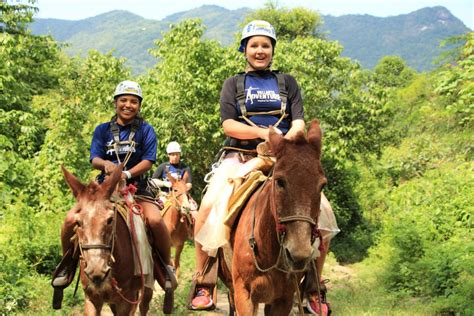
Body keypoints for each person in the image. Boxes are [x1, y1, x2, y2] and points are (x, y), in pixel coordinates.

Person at [189, 20, 339, 315]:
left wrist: (286, 138)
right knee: (208, 207)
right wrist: (262, 134)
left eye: (265, 45)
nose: (260, 50)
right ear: (244, 50)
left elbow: (298, 121)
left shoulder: (287, 83)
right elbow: (229, 124)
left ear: (272, 50)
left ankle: (314, 287)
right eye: (254, 45)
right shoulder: (233, 84)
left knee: (323, 213)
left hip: (284, 158)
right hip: (241, 157)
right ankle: (204, 281)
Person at [52, 80, 176, 292]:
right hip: (103, 191)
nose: (128, 105)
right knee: (70, 220)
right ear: (115, 103)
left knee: (155, 220)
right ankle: (68, 266)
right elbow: (94, 159)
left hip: (138, 189)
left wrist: (126, 173)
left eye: (134, 101)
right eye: (124, 100)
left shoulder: (146, 130)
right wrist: (106, 165)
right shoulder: (102, 130)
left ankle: (164, 267)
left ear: (139, 105)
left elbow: (148, 160)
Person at [151, 141, 198, 213]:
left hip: (181, 195)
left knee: (194, 210)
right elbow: (153, 180)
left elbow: (189, 183)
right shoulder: (163, 166)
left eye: (177, 154)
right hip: (165, 195)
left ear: (180, 154)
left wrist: (183, 188)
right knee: (155, 210)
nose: (175, 157)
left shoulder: (185, 167)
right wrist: (164, 183)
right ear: (168, 155)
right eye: (173, 155)